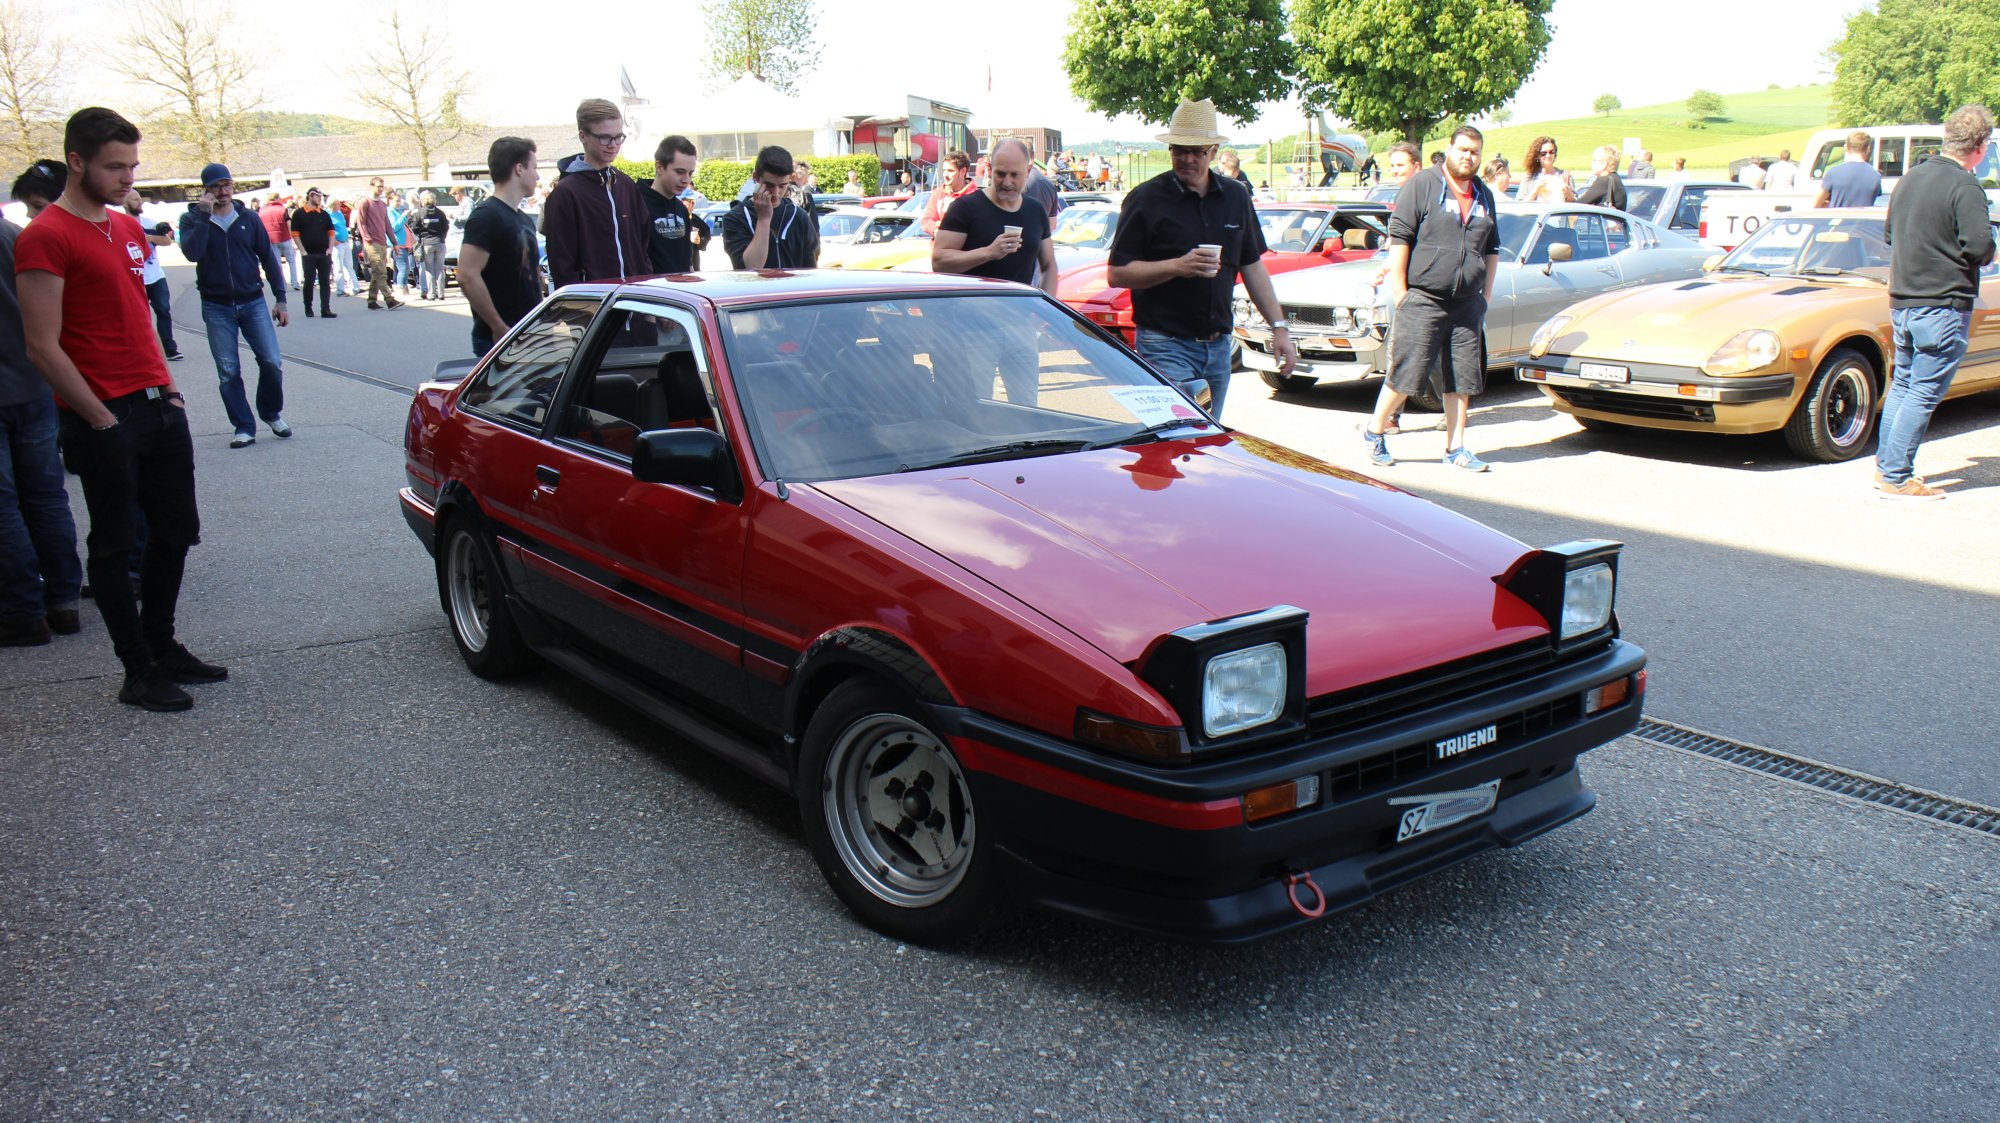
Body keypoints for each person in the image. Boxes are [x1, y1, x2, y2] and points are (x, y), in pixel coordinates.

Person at [16, 107, 227, 709]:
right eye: (115, 167)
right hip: (101, 411)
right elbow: (41, 343)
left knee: (175, 531)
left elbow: (139, 315)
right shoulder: (46, 235)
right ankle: (137, 669)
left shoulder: (125, 227)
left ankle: (162, 646)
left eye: (132, 166)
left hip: (156, 402)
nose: (127, 177)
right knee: (114, 544)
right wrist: (97, 414)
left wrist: (170, 389)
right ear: (77, 162)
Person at [1105, 98, 1297, 421]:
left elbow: (1251, 266)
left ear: (1212, 151)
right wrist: (1178, 266)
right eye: (1180, 150)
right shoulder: (1146, 199)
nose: (1188, 159)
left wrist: (1279, 328)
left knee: (1206, 443)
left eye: (1197, 151)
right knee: (1174, 440)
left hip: (1219, 346)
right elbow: (1117, 273)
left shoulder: (1235, 196)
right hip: (1165, 343)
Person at [1360, 125, 1501, 473]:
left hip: (1467, 303)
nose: (1468, 156)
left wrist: (1485, 294)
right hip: (1424, 298)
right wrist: (1400, 292)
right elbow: (1400, 237)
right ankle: (1375, 431)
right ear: (1450, 149)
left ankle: (1456, 447)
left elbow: (1492, 247)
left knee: (1462, 377)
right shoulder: (1423, 184)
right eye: (1463, 149)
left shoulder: (1483, 194)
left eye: (1474, 152)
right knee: (1408, 372)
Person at [1875, 105, 1995, 500]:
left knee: (1904, 385)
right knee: (1923, 391)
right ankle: (1895, 475)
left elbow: (1891, 233)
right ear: (1979, 147)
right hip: (1942, 302)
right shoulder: (1965, 186)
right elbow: (1979, 246)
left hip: (1904, 299)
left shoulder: (1911, 178)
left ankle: (1886, 468)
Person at [0, 196, 84, 646]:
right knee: (46, 495)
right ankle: (63, 598)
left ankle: (20, 609)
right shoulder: (22, 238)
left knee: (6, 503)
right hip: (34, 383)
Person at [177, 162, 292, 449]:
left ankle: (271, 413)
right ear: (206, 190)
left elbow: (267, 258)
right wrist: (204, 217)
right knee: (228, 370)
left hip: (251, 301)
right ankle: (243, 426)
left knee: (271, 362)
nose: (223, 191)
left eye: (226, 185)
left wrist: (280, 299)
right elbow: (192, 253)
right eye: (216, 186)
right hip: (217, 306)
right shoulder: (192, 220)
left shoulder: (248, 218)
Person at [542, 98, 650, 286]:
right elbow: (562, 263)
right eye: (605, 137)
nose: (613, 145)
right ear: (583, 136)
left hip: (636, 301)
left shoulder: (625, 184)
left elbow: (642, 245)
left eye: (618, 137)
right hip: (595, 307)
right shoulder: (565, 193)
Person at [458, 136, 545, 358]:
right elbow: (467, 275)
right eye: (534, 167)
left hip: (527, 333)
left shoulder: (523, 219)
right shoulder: (487, 216)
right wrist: (497, 326)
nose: (537, 175)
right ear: (519, 169)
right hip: (499, 338)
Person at [720, 145, 819, 270]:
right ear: (755, 177)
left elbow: (810, 269)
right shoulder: (735, 218)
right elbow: (751, 267)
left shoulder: (799, 216)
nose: (776, 193)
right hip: (756, 289)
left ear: (791, 178)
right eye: (769, 185)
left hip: (792, 289)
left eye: (782, 185)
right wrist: (763, 220)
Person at [121, 187, 183, 358]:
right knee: (140, 316)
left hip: (155, 275)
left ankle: (169, 348)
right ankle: (145, 349)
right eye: (135, 200)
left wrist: (147, 237)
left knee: (163, 310)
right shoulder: (119, 223)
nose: (139, 202)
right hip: (135, 277)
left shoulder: (149, 222)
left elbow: (166, 241)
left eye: (140, 199)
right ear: (125, 204)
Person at [641, 134, 704, 274]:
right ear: (659, 167)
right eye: (680, 172)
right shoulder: (636, 204)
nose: (686, 180)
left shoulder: (681, 208)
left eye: (690, 173)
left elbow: (688, 262)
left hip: (680, 292)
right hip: (649, 292)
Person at [288, 187, 337, 318]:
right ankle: (308, 307)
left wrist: (330, 248)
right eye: (318, 196)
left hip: (323, 253)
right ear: (311, 196)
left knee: (325, 281)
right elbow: (295, 234)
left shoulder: (324, 214)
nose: (320, 199)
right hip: (308, 253)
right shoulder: (299, 213)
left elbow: (331, 233)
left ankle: (325, 309)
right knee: (309, 282)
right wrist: (302, 250)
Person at [355, 177, 402, 309]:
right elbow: (361, 222)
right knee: (381, 272)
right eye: (378, 186)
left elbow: (387, 224)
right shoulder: (365, 202)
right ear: (372, 186)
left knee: (377, 272)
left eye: (382, 187)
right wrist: (367, 238)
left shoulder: (382, 205)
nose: (380, 189)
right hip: (371, 243)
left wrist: (394, 242)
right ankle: (389, 299)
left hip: (382, 242)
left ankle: (371, 300)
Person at [1816, 132, 1883, 208]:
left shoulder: (1833, 173)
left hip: (1839, 219)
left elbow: (1816, 204)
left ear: (1846, 147)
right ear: (1868, 149)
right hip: (1863, 219)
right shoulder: (1875, 176)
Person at [920, 150, 976, 236]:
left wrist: (947, 229)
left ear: (963, 171)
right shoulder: (938, 193)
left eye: (950, 171)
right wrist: (936, 230)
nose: (945, 175)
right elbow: (926, 220)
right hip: (939, 247)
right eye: (944, 170)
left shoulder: (975, 196)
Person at [412, 190, 449, 299]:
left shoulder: (419, 213)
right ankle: (441, 293)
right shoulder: (440, 213)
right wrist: (442, 236)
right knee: (440, 269)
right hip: (440, 243)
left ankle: (432, 294)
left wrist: (420, 236)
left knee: (429, 269)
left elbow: (414, 227)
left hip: (427, 244)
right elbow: (446, 226)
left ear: (423, 201)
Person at [260, 194, 299, 289]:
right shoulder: (282, 209)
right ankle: (294, 283)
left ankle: (282, 284)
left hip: (271, 239)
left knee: (277, 263)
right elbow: (289, 223)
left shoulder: (262, 211)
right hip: (284, 237)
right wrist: (292, 237)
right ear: (277, 199)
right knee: (291, 260)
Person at [1517, 136, 1574, 202]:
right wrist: (1535, 192)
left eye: (1551, 152)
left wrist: (1569, 194)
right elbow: (1520, 204)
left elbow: (1576, 205)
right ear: (1537, 156)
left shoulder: (1565, 176)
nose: (1548, 155)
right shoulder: (1529, 178)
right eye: (1543, 153)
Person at [1577, 145, 1627, 211]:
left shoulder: (1604, 181)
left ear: (1604, 164)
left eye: (1594, 160)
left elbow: (1578, 206)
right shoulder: (1615, 178)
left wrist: (1569, 197)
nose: (1591, 163)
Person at [329, 198, 357, 296]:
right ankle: (340, 289)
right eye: (337, 204)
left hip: (345, 241)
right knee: (338, 267)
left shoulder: (340, 214)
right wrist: (333, 240)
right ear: (332, 205)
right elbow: (327, 229)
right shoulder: (328, 215)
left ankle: (354, 287)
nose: (339, 206)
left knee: (349, 265)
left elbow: (343, 226)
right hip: (337, 243)